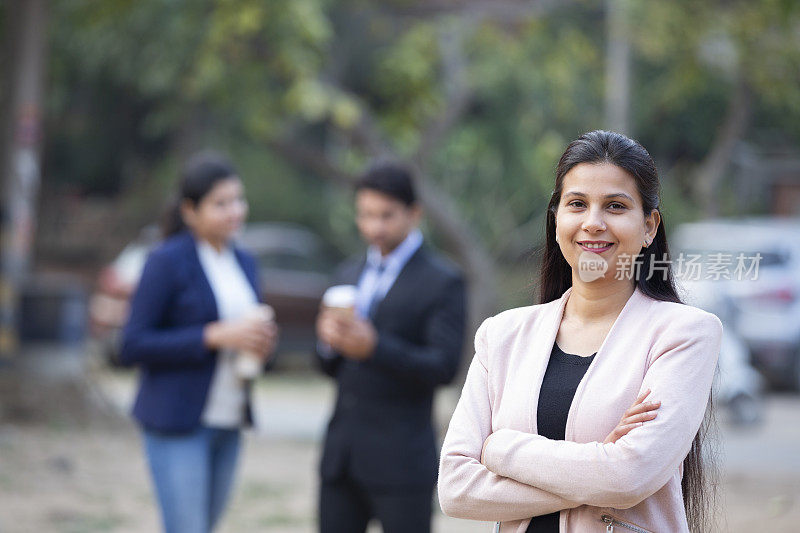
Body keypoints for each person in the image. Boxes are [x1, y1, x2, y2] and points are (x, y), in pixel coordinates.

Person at [438, 130, 723, 533]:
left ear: (649, 227)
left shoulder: (684, 334)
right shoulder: (501, 336)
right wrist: (599, 461)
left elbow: (628, 478)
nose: (593, 222)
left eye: (615, 206)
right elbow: (455, 488)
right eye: (577, 204)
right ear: (557, 220)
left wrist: (499, 449)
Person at [120, 152, 278, 533]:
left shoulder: (245, 261)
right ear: (190, 211)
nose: (234, 211)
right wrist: (213, 335)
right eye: (220, 204)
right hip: (177, 422)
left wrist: (262, 346)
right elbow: (132, 343)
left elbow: (248, 336)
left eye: (238, 200)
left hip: (230, 418)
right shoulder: (166, 261)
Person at [315, 162, 467, 533]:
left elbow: (443, 367)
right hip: (341, 458)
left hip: (401, 461)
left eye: (386, 216)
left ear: (414, 213)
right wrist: (326, 343)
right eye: (366, 215)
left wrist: (375, 347)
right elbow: (328, 367)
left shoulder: (443, 280)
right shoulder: (347, 273)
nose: (374, 227)